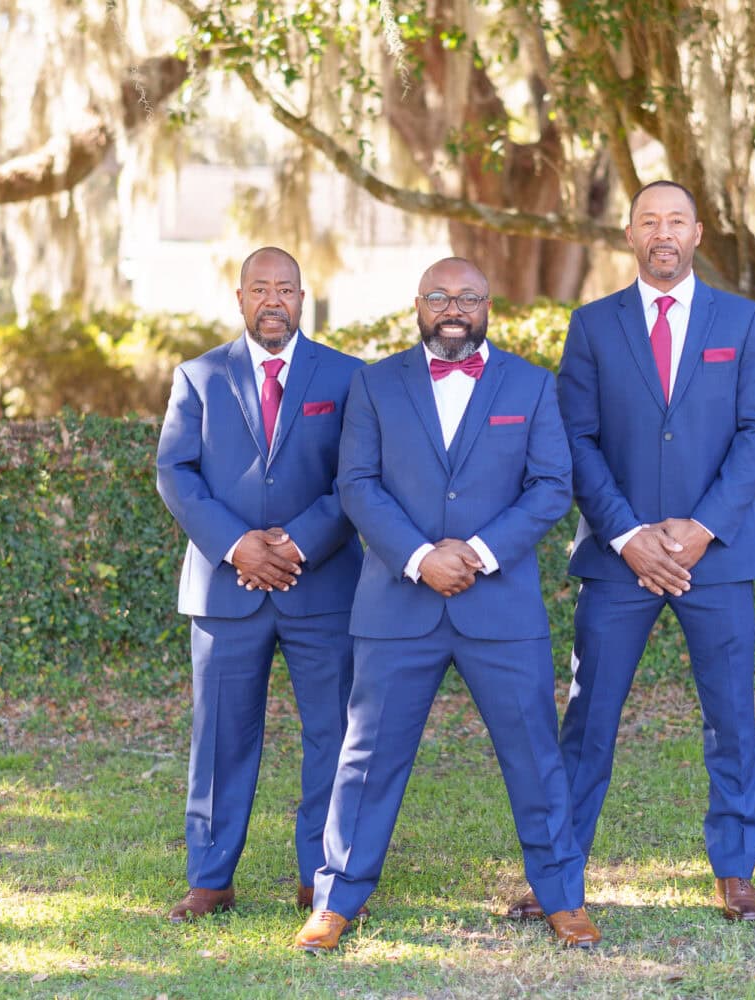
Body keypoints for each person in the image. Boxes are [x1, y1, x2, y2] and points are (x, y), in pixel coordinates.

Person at [292, 257, 599, 952]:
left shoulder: (531, 384)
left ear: (489, 304)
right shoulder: (374, 385)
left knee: (534, 756)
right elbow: (358, 485)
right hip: (397, 604)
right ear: (418, 305)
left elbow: (551, 486)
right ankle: (337, 899)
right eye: (438, 296)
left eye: (466, 295)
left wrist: (481, 552)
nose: (452, 306)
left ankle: (563, 898)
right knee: (365, 757)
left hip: (501, 608)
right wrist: (421, 557)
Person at [524, 181, 755, 922]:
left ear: (698, 233)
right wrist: (630, 535)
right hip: (618, 562)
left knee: (730, 716)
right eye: (649, 221)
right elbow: (575, 440)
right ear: (630, 235)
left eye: (675, 220)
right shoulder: (593, 326)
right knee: (588, 720)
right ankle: (559, 872)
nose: (662, 232)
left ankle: (735, 868)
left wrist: (701, 528)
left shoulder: (741, 321)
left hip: (719, 558)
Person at [156, 246, 364, 922]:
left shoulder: (347, 377)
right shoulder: (198, 377)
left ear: (304, 300)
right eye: (259, 288)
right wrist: (237, 546)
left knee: (332, 735)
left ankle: (324, 876)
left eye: (286, 289)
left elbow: (357, 479)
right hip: (226, 589)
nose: (272, 300)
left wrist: (297, 542)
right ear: (240, 298)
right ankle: (210, 877)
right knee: (221, 737)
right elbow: (176, 474)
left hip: (322, 587)